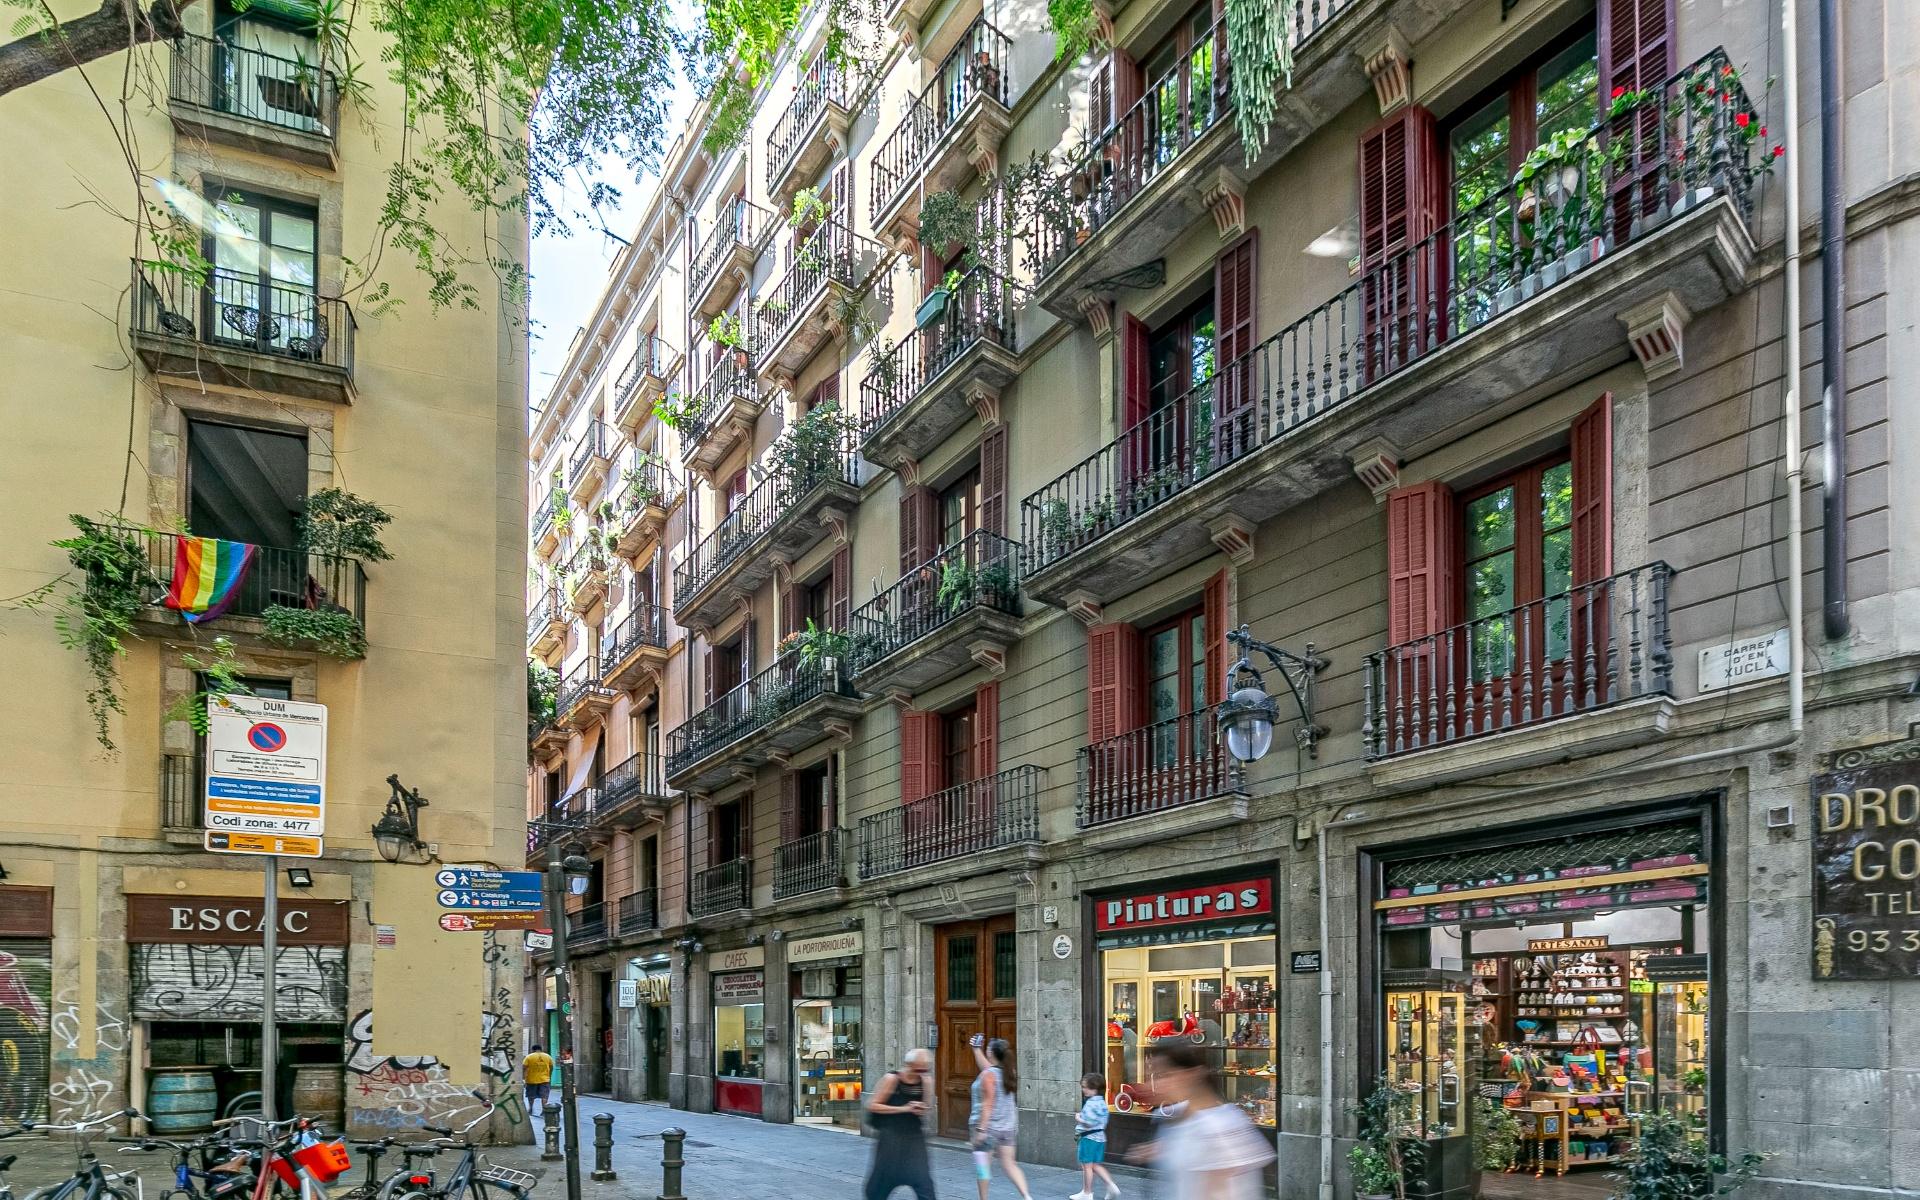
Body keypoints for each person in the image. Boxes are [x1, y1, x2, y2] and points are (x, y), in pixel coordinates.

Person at [1136, 1041, 1272, 1200]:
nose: (1152, 1085)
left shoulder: (1222, 1126)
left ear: (1191, 1074)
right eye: (1152, 1076)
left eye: (1163, 1075)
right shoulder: (1173, 1115)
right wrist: (1162, 1149)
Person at [863, 1048, 938, 1200]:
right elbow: (872, 1105)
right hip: (891, 1137)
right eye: (918, 1069)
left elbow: (927, 1106)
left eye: (925, 1070)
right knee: (881, 1183)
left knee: (924, 1185)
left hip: (914, 1137)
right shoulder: (892, 1079)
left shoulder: (925, 1080)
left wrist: (922, 1107)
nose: (921, 1073)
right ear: (909, 1065)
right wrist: (904, 1108)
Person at [968, 1035, 1032, 1200]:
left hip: (988, 1128)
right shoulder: (1008, 1072)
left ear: (991, 1053)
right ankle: (1027, 1196)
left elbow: (988, 1104)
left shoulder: (988, 1075)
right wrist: (976, 1049)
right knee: (1010, 1164)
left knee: (983, 1168)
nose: (987, 1050)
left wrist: (981, 1130)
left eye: (988, 1048)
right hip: (1007, 1127)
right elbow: (988, 1068)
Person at [1071, 1073, 1121, 1200]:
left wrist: (1078, 1118)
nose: (1083, 1089)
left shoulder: (1090, 1104)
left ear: (1093, 1088)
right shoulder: (1102, 1103)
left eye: (1085, 1087)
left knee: (1087, 1166)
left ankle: (1087, 1193)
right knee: (1095, 1165)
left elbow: (1088, 1123)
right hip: (1100, 1138)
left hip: (1088, 1138)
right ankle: (1112, 1186)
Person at [522, 1043, 554, 1117]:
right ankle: (544, 1110)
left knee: (531, 1095)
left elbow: (524, 1067)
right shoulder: (548, 1056)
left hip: (531, 1079)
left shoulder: (529, 1057)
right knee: (544, 1096)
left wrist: (524, 1078)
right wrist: (549, 1076)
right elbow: (551, 1067)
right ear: (541, 1049)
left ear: (533, 1050)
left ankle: (530, 1108)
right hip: (545, 1079)